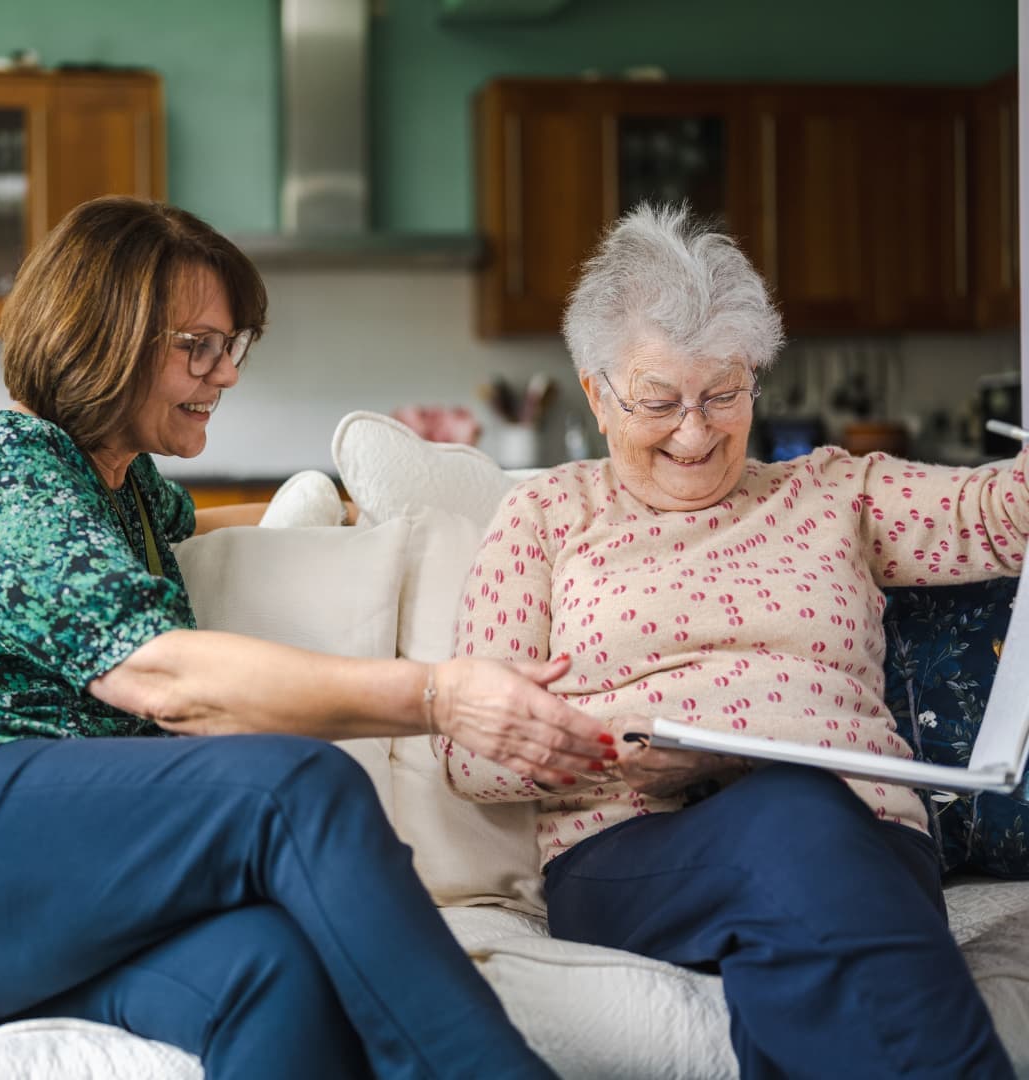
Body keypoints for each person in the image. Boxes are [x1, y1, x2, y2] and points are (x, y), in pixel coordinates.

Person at [0, 195, 620, 1080]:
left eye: (232, 345)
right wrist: (440, 695)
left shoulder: (121, 491)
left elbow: (202, 526)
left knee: (269, 969)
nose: (227, 372)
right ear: (104, 337)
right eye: (197, 346)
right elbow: (160, 676)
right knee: (293, 785)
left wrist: (359, 512)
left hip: (28, 887)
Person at [436, 202, 1023, 1078]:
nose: (696, 431)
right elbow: (470, 754)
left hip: (867, 836)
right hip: (634, 850)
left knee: (803, 906)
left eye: (723, 394)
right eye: (660, 400)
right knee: (794, 817)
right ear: (597, 395)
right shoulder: (549, 516)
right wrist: (609, 745)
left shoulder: (833, 494)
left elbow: (996, 516)